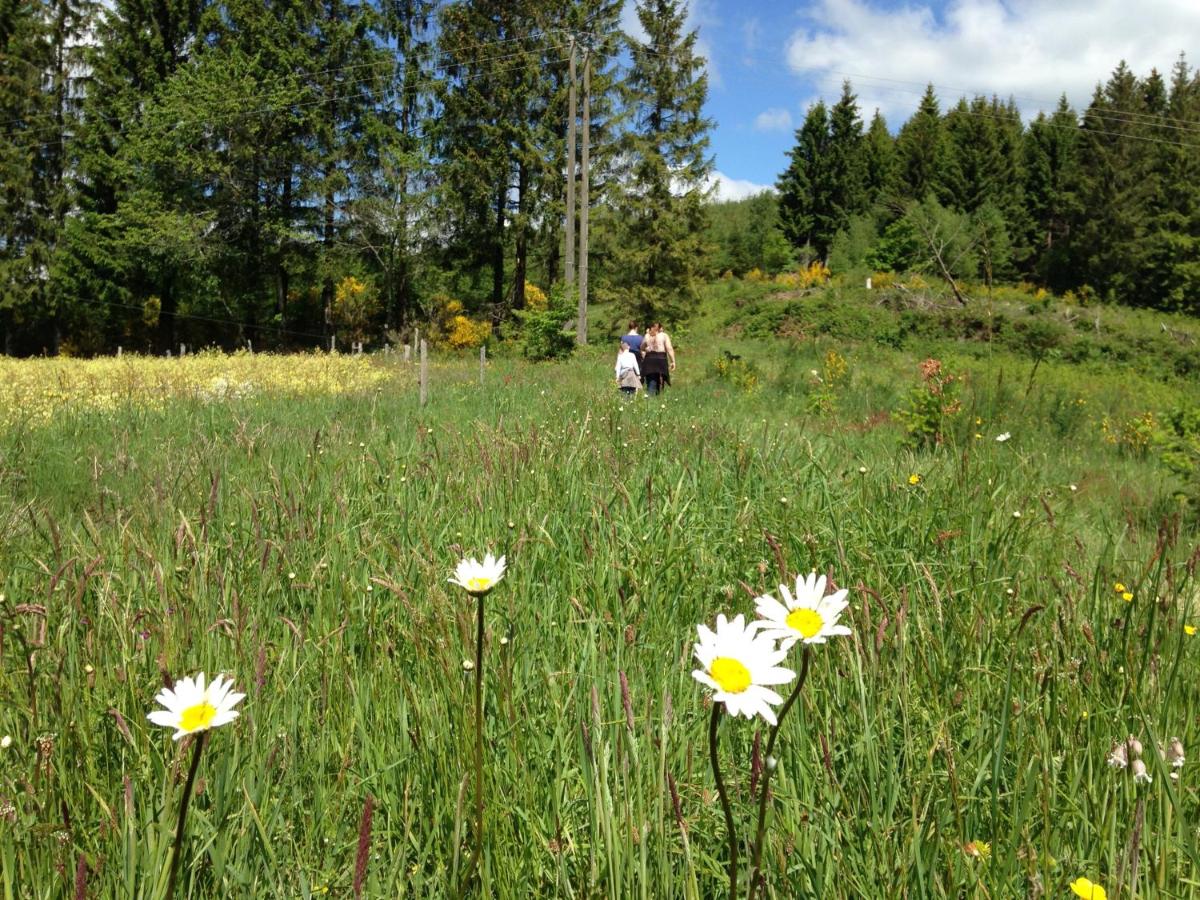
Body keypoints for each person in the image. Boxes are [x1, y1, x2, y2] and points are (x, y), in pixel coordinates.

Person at [641, 323, 675, 395]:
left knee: (651, 382)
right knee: (660, 381)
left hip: (649, 360)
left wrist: (646, 348)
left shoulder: (647, 336)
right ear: (660, 328)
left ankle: (650, 399)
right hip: (661, 359)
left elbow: (641, 347)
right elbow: (669, 348)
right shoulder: (664, 335)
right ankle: (656, 398)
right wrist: (673, 361)